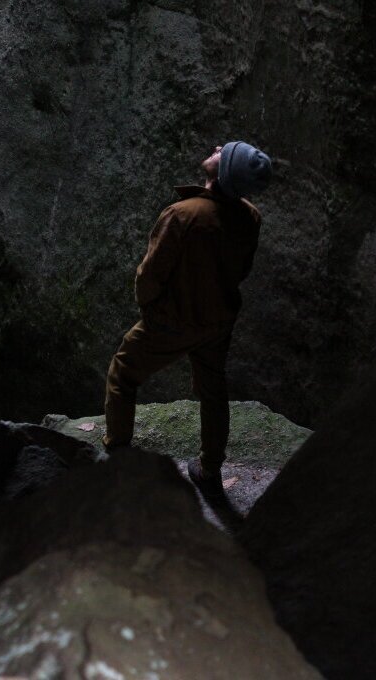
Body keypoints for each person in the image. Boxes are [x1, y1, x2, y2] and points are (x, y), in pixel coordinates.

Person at [103, 140, 272, 497]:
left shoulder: (183, 215)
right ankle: (210, 468)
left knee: (123, 372)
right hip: (217, 322)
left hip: (172, 320)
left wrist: (149, 308)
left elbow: (150, 274)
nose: (217, 147)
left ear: (224, 171)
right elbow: (240, 270)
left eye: (224, 152)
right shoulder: (250, 217)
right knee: (213, 390)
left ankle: (117, 454)